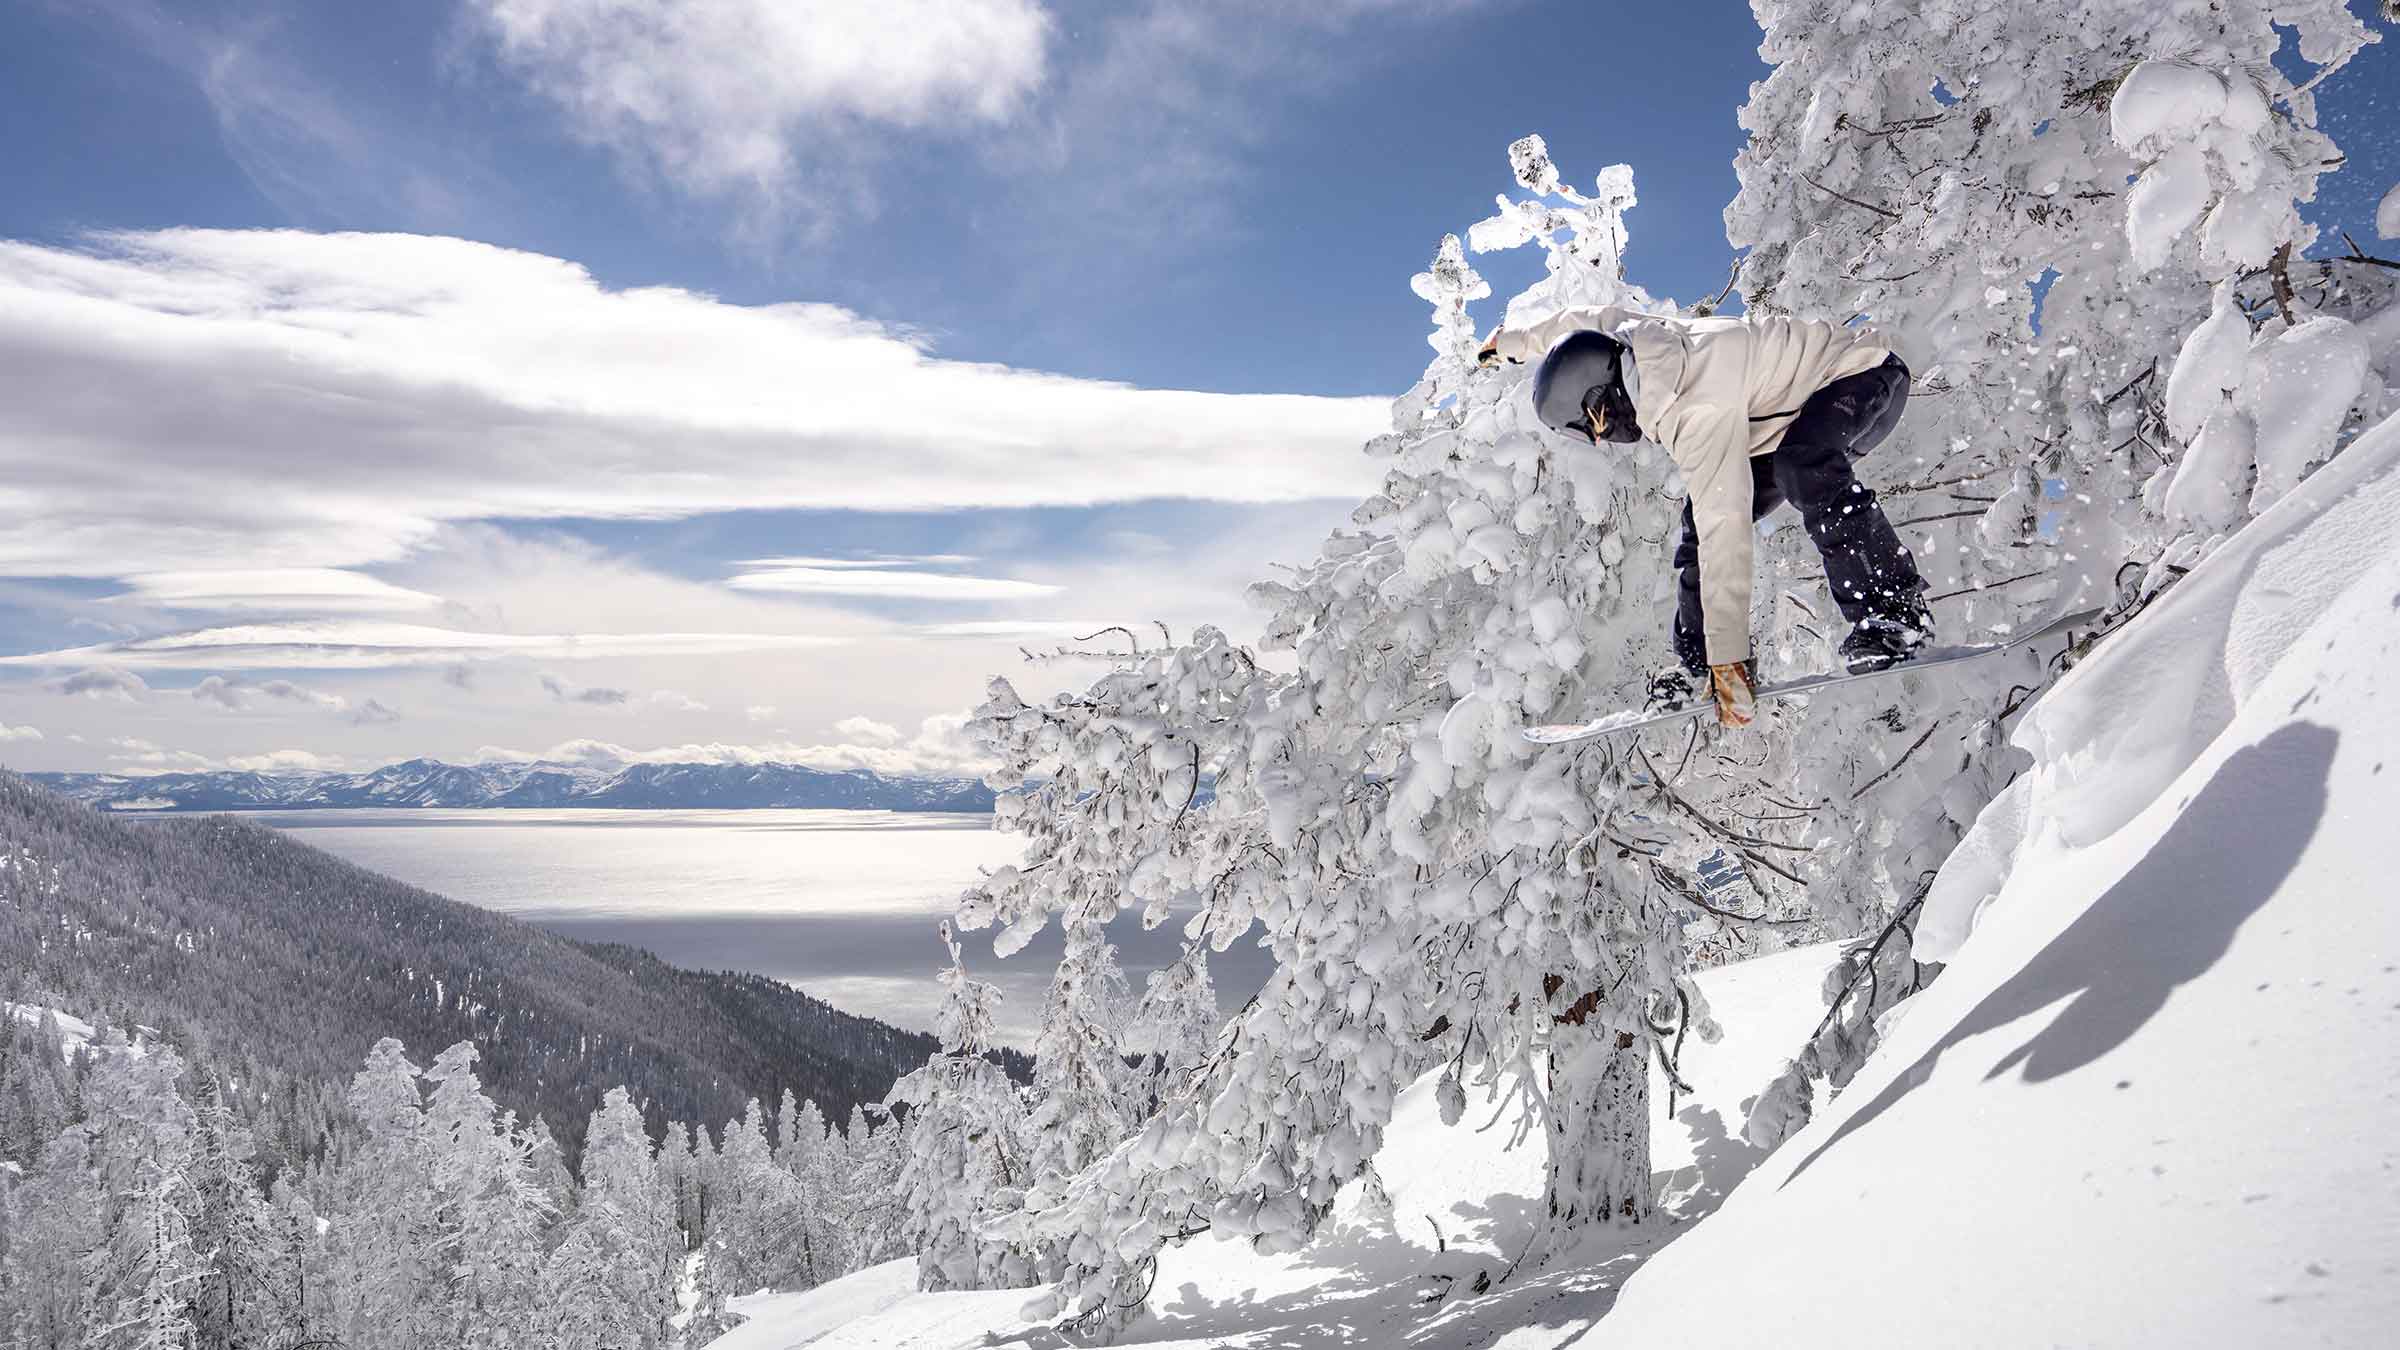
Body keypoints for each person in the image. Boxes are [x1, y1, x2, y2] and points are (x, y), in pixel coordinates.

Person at [1479, 307, 1932, 728]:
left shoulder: (1695, 407)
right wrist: (1510, 343)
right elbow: (1574, 323)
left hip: (1864, 373)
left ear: (1607, 399)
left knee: (1800, 467)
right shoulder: (1632, 341)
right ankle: (1696, 664)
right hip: (1784, 418)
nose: (1606, 440)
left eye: (1596, 427)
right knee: (1701, 520)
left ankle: (1894, 612)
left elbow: (1727, 537)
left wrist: (1732, 664)